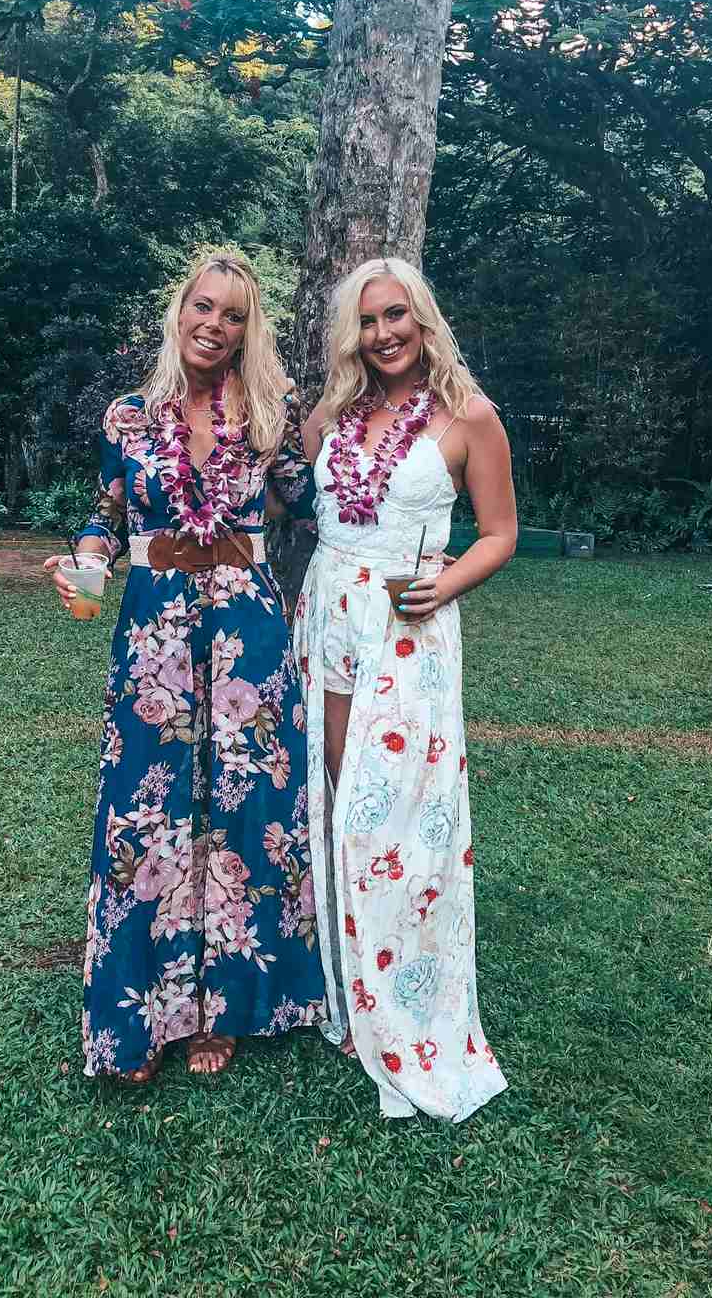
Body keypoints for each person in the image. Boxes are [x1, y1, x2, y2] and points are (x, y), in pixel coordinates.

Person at [45, 251, 326, 1083]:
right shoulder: (129, 416)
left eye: (234, 315)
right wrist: (85, 560)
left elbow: (313, 502)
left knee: (241, 809)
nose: (215, 324)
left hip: (247, 629)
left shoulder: (269, 410)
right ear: (180, 311)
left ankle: (222, 1009)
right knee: (150, 810)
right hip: (154, 631)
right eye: (204, 307)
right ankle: (143, 1013)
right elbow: (106, 513)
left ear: (249, 330)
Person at [294, 256, 517, 1121]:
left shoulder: (471, 417)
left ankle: (412, 1007)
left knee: (396, 816)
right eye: (369, 321)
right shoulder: (331, 416)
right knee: (338, 794)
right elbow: (300, 500)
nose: (385, 335)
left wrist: (448, 582)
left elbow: (499, 533)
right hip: (331, 614)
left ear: (424, 319)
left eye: (398, 317)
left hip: (409, 626)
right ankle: (344, 988)